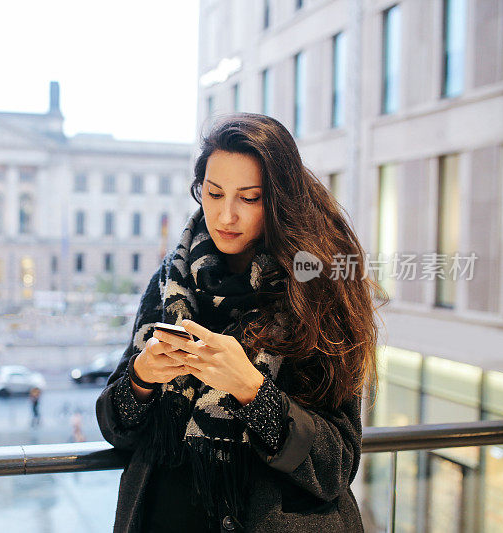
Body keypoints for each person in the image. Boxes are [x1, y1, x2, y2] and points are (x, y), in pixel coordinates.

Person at [96, 113, 386, 533]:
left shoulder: (318, 285)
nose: (225, 215)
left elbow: (336, 463)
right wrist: (142, 378)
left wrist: (251, 389)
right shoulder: (173, 278)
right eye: (213, 194)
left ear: (281, 199)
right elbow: (116, 427)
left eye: (248, 198)